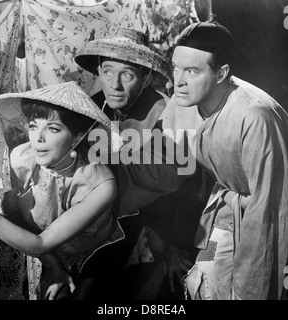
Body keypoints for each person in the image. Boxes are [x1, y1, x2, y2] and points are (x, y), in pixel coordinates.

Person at [116, 21, 288, 300]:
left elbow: (269, 210)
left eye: (191, 71)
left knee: (262, 285)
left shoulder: (255, 117)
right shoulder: (182, 101)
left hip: (283, 199)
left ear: (221, 73)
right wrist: (101, 185)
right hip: (231, 199)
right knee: (204, 280)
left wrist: (250, 290)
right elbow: (160, 163)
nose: (177, 81)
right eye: (176, 68)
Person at [0, 81, 124, 300]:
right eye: (34, 126)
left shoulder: (100, 186)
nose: (38, 138)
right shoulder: (22, 159)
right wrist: (52, 265)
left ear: (77, 137)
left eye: (53, 129)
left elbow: (40, 244)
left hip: (94, 258)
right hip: (42, 252)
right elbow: (15, 219)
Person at [71, 28, 207, 299]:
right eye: (108, 72)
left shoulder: (166, 115)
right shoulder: (89, 109)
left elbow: (186, 189)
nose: (115, 85)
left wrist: (172, 242)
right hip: (92, 227)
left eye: (128, 75)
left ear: (145, 78)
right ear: (98, 69)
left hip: (155, 228)